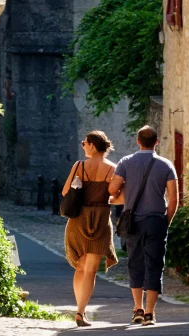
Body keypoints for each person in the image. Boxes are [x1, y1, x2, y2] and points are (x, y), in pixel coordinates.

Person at [108, 125, 178, 326]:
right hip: (156, 221)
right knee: (155, 265)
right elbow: (173, 199)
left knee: (135, 263)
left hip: (134, 222)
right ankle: (150, 313)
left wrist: (125, 189)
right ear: (156, 142)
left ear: (138, 141)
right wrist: (166, 222)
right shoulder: (166, 165)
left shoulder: (126, 162)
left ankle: (137, 309)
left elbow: (112, 189)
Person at [62, 130, 122, 327]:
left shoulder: (79, 166)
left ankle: (80, 310)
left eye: (84, 143)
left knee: (80, 266)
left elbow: (65, 191)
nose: (83, 145)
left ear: (93, 145)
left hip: (79, 218)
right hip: (101, 218)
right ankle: (80, 312)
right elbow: (119, 197)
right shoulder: (113, 169)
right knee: (90, 270)